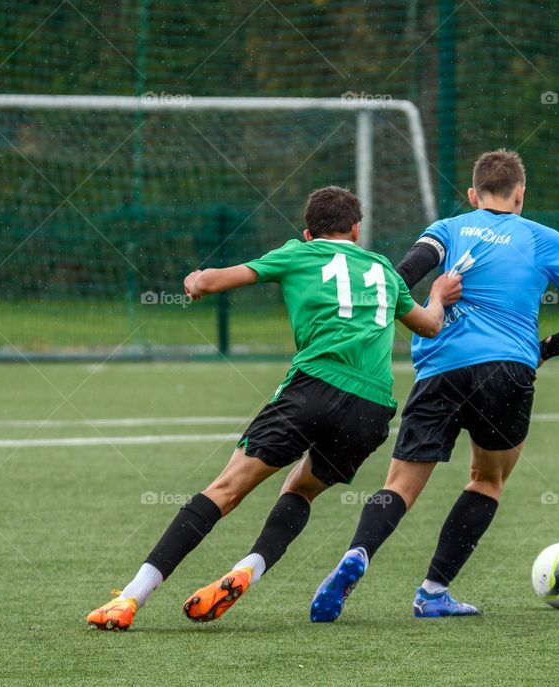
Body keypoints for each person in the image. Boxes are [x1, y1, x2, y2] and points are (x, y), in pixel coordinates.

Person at [85, 185, 461, 630]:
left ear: (308, 233)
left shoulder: (297, 254)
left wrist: (196, 280)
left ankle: (130, 598)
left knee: (225, 490)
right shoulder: (382, 267)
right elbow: (431, 324)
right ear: (356, 229)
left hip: (312, 389)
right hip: (372, 407)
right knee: (299, 491)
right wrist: (437, 293)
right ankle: (249, 568)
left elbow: (213, 281)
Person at [311, 150, 559, 621]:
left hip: (440, 370)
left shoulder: (448, 230)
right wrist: (543, 349)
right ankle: (433, 592)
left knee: (402, 485)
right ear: (520, 195)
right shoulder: (542, 238)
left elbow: (396, 281)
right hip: (507, 371)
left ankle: (358, 554)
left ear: (473, 196)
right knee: (486, 480)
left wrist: (429, 305)